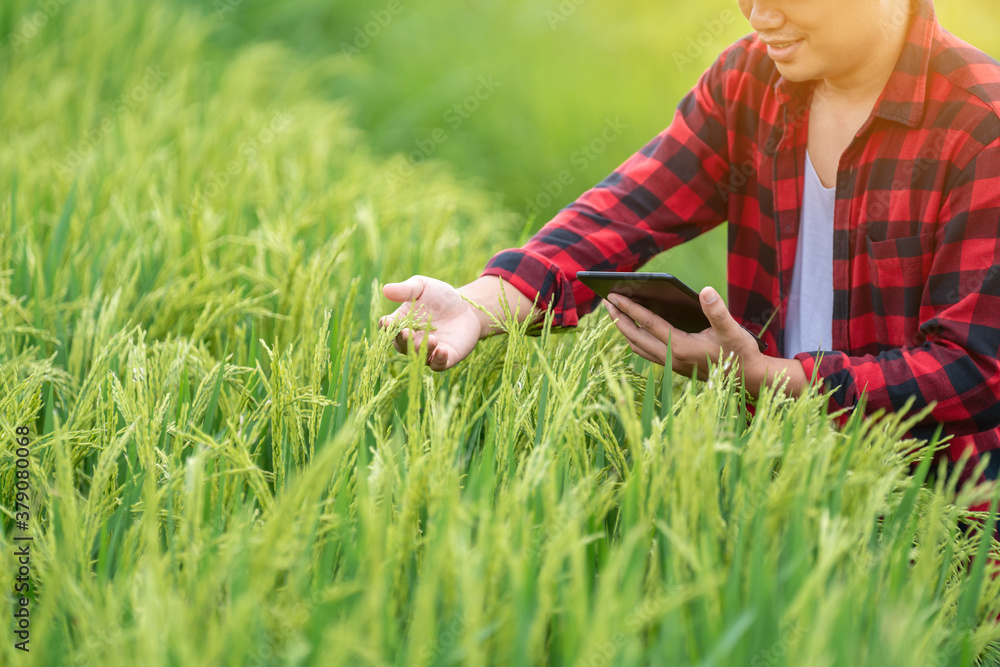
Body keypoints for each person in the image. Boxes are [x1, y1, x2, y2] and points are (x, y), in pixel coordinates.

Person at [379, 0, 1000, 497]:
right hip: (778, 492)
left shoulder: (981, 124)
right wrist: (482, 304)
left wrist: (771, 378)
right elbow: (629, 208)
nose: (757, 13)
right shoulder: (751, 81)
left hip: (943, 528)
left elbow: (975, 369)